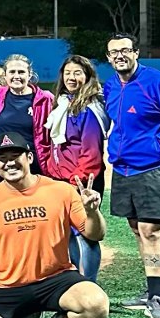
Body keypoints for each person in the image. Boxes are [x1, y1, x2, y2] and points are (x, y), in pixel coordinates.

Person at [0, 132, 109, 318]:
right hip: (7, 285)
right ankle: (25, 315)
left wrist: (92, 212)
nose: (9, 163)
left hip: (56, 279)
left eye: (15, 156)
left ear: (29, 157)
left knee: (97, 307)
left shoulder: (61, 190)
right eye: (2, 158)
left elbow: (94, 234)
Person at [103, 33, 160, 318]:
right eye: (114, 52)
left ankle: (158, 296)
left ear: (136, 53)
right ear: (108, 58)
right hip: (123, 168)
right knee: (136, 228)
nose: (120, 56)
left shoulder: (158, 82)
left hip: (153, 166)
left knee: (150, 230)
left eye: (125, 50)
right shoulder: (110, 86)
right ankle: (152, 287)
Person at [44, 56, 110, 282]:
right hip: (61, 181)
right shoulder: (63, 103)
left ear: (88, 77)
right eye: (68, 73)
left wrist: (76, 183)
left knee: (86, 235)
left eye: (78, 73)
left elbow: (91, 153)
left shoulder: (88, 109)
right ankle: (76, 282)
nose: (71, 77)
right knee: (69, 234)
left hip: (81, 183)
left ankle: (89, 284)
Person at [0, 54, 54, 177]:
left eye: (21, 72)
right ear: (5, 76)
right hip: (4, 165)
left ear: (29, 75)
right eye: (12, 72)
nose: (16, 76)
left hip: (36, 165)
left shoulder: (45, 99)